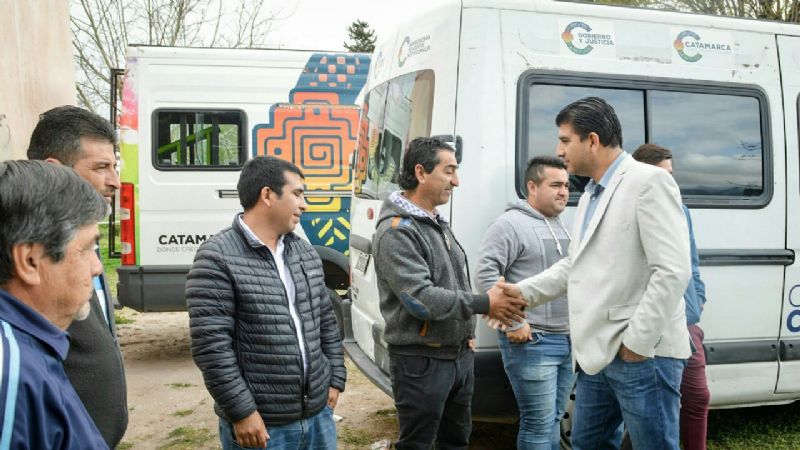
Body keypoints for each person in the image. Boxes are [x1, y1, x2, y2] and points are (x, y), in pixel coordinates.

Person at [500, 97, 692, 450]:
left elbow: (673, 271)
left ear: (592, 140)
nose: (558, 150)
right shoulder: (590, 193)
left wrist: (637, 344)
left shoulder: (648, 182)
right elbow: (576, 264)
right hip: (598, 355)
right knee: (588, 443)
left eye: (564, 140)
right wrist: (519, 293)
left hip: (642, 355)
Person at [372, 137, 528, 450]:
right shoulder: (397, 231)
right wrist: (486, 304)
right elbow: (422, 299)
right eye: (449, 171)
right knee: (418, 444)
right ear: (420, 172)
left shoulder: (435, 223)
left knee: (455, 442)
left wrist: (465, 334)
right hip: (422, 361)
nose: (456, 181)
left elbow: (453, 284)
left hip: (457, 355)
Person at [187, 156, 344, 450]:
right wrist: (242, 412)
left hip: (317, 417)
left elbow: (326, 321)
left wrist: (335, 378)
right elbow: (211, 347)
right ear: (267, 195)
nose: (305, 204)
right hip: (263, 427)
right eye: (297, 193)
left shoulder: (304, 252)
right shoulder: (217, 257)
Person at [27, 105, 128, 448]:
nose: (114, 181)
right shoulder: (32, 254)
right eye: (101, 168)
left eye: (114, 167)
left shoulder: (83, 236)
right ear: (54, 170)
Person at [0, 160, 109, 449]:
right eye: (86, 249)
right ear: (30, 261)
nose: (97, 267)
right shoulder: (11, 374)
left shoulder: (29, 347)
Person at [475, 156, 572, 450]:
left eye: (566, 185)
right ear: (532, 186)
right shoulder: (509, 224)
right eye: (555, 185)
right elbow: (485, 275)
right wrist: (513, 322)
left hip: (567, 339)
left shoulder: (563, 225)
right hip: (533, 341)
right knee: (538, 424)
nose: (563, 192)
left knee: (553, 420)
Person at [632, 143, 709, 450]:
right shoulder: (631, 207)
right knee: (652, 409)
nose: (670, 183)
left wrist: (697, 297)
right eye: (663, 175)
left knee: (697, 396)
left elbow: (691, 260)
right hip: (653, 324)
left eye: (672, 175)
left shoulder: (681, 209)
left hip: (686, 321)